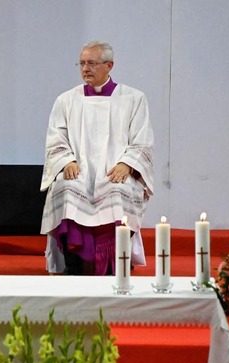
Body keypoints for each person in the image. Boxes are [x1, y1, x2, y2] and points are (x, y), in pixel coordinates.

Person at [40, 41, 155, 275]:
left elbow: (142, 139)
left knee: (119, 191)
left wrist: (127, 164)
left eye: (91, 63)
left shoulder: (133, 99)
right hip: (79, 171)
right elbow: (56, 137)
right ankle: (74, 263)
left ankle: (116, 262)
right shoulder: (66, 100)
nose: (85, 69)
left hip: (115, 171)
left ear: (109, 65)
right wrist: (66, 161)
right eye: (81, 63)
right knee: (66, 187)